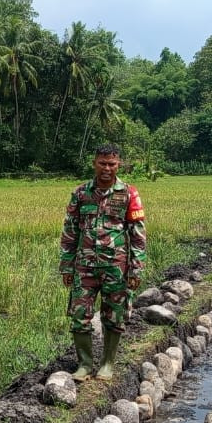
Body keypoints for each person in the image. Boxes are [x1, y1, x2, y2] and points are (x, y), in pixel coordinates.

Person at [59, 144, 147, 381]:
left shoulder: (129, 194)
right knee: (79, 315)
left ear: (119, 165)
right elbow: (70, 232)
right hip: (84, 267)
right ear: (94, 163)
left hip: (116, 268)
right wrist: (66, 266)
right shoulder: (80, 193)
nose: (107, 168)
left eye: (112, 164)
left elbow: (138, 235)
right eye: (102, 163)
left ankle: (107, 364)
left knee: (114, 316)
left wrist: (136, 269)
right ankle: (85, 365)